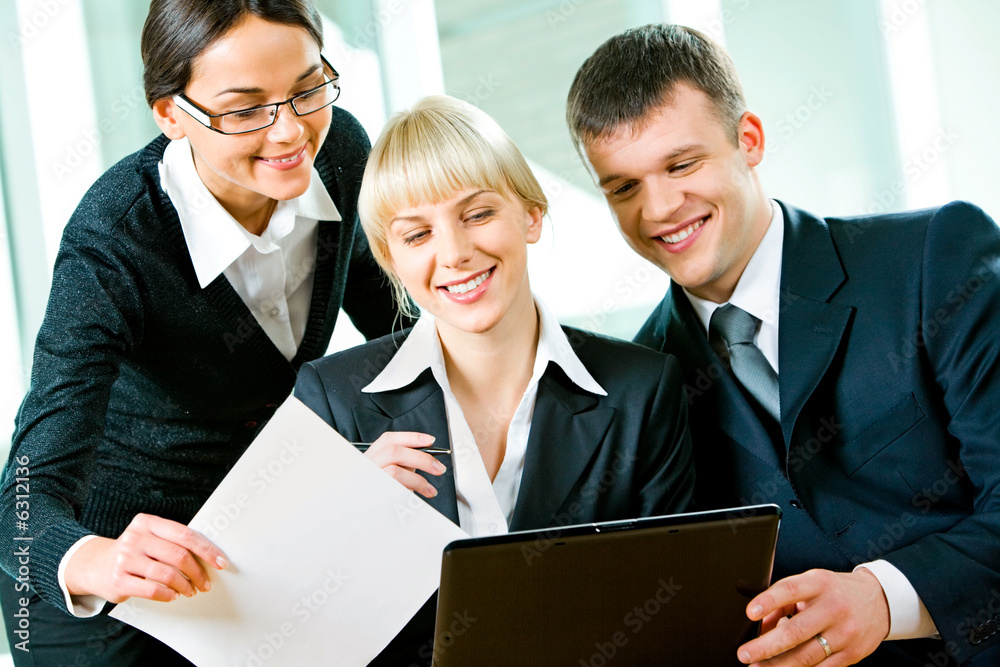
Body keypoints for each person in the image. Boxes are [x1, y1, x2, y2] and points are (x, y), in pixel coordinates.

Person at [565, 22, 1000, 667]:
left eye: (681, 164)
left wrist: (886, 599)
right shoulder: (633, 388)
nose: (658, 208)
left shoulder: (933, 257)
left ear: (749, 140)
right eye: (623, 187)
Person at [0, 0, 405, 664]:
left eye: (307, 89)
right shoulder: (115, 238)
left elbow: (389, 322)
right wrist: (94, 559)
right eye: (245, 109)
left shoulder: (339, 152)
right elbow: (22, 499)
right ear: (170, 115)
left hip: (264, 539)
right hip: (115, 585)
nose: (289, 132)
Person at [293, 94, 695, 665]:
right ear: (389, 257)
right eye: (417, 235)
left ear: (530, 214)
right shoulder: (331, 398)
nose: (454, 252)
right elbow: (299, 627)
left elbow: (672, 611)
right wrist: (350, 517)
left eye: (478, 214)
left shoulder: (643, 389)